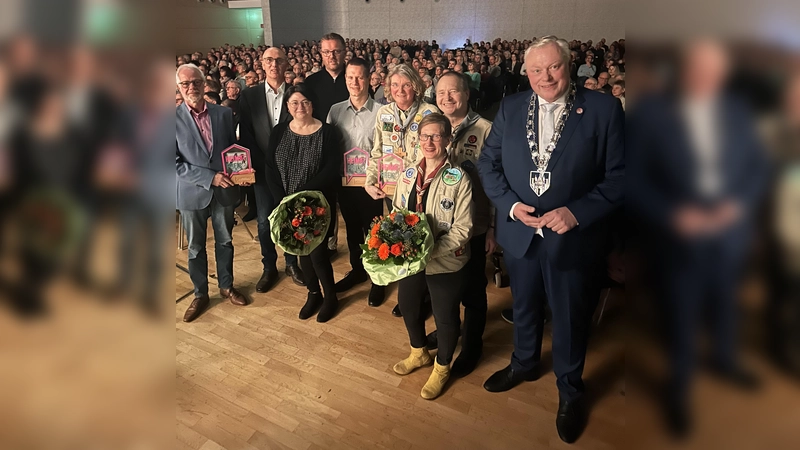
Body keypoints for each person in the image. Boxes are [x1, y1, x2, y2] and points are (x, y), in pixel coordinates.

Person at [478, 36, 624, 443]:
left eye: (554, 67)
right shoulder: (510, 107)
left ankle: (570, 390)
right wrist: (510, 206)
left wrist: (576, 212)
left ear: (569, 65)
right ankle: (524, 363)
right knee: (524, 306)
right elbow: (488, 164)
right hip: (521, 233)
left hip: (574, 238)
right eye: (536, 70)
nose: (545, 77)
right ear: (526, 72)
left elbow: (621, 177)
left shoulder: (603, 109)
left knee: (571, 318)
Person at [628, 40, 768, 436]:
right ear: (683, 70)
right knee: (682, 315)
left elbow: (758, 168)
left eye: (714, 71)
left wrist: (738, 206)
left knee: (727, 301)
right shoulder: (651, 113)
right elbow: (633, 179)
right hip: (678, 236)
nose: (706, 78)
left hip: (730, 232)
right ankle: (679, 389)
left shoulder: (738, 110)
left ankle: (725, 359)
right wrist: (672, 214)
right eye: (698, 70)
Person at [391, 113, 474, 400]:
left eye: (436, 136)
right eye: (424, 136)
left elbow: (463, 229)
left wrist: (428, 251)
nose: (429, 142)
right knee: (408, 306)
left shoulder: (459, 178)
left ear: (448, 140)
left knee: (446, 318)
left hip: (445, 261)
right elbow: (396, 212)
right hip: (412, 261)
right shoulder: (408, 174)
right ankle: (419, 352)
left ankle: (442, 367)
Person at [423, 71, 495, 377]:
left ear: (467, 94)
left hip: (474, 226)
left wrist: (493, 228)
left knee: (473, 289)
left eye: (453, 92)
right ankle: (448, 330)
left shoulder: (486, 130)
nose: (446, 98)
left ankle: (472, 345)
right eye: (441, 93)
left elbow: (496, 183)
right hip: (439, 226)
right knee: (445, 287)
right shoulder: (432, 126)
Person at [264, 84, 344, 323]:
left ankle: (331, 297)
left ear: (313, 104)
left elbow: (331, 169)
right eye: (294, 103)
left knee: (318, 254)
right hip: (287, 206)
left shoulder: (327, 132)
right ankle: (313, 293)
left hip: (318, 206)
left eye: (305, 102)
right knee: (300, 252)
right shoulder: (279, 131)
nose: (300, 107)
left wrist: (302, 196)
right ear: (287, 107)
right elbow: (270, 167)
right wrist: (283, 201)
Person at [176, 64, 248, 322]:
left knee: (225, 241)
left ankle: (226, 286)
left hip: (224, 190)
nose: (191, 87)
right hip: (191, 193)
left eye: (196, 82)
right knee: (195, 247)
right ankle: (200, 293)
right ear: (178, 87)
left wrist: (241, 170)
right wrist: (210, 177)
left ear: (204, 82)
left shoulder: (223, 113)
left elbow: (231, 150)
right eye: (185, 84)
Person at [364, 63, 439, 314]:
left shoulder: (429, 112)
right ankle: (404, 289)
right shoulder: (384, 113)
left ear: (416, 86)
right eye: (395, 85)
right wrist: (370, 180)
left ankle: (423, 295)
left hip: (422, 187)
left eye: (406, 84)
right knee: (400, 237)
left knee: (422, 237)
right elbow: (376, 151)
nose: (400, 90)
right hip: (392, 189)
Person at [238, 47, 305, 291]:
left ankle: (292, 263)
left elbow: (303, 129)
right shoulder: (250, 95)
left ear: (287, 64)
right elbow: (246, 134)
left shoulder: (296, 94)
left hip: (292, 170)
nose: (274, 64)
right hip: (262, 170)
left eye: (278, 60)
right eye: (269, 60)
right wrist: (259, 166)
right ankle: (269, 267)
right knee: (265, 222)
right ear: (262, 64)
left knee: (290, 218)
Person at [326, 58, 384, 301]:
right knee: (351, 229)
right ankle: (358, 270)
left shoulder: (382, 111)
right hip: (346, 183)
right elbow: (329, 146)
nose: (355, 82)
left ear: (369, 79)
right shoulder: (335, 110)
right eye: (350, 77)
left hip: (372, 184)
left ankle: (378, 277)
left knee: (374, 230)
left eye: (360, 77)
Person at [305, 33, 350, 254]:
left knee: (351, 204)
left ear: (344, 52)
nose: (332, 56)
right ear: (320, 54)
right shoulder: (311, 82)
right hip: (321, 152)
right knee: (325, 201)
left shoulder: (353, 78)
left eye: (336, 51)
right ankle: (329, 244)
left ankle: (360, 249)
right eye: (327, 52)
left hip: (352, 150)